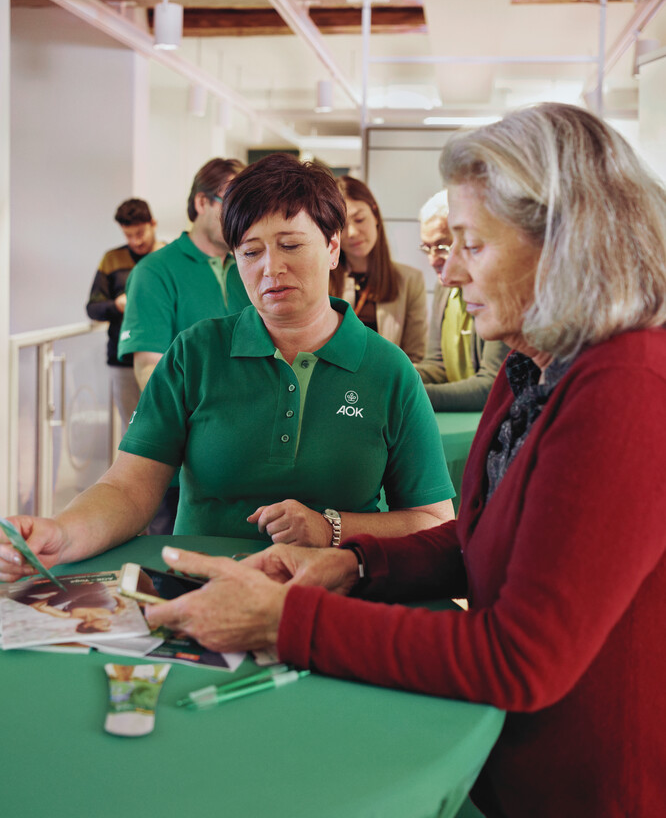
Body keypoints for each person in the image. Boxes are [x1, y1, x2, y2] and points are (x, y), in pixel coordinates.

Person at [123, 105, 664, 818]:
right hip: (534, 796)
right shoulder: (531, 370)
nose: (447, 272)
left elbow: (520, 659)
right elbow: (478, 540)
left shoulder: (626, 391)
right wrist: (348, 563)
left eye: (472, 247)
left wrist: (285, 621)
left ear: (566, 241)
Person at [0, 154, 454, 570]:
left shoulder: (389, 370)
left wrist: (333, 528)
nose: (270, 269)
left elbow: (433, 521)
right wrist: (62, 533)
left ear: (333, 247)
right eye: (251, 252)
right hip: (198, 591)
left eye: (291, 245)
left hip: (330, 599)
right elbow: (128, 489)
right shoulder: (195, 353)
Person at [118, 157, 250, 533]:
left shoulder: (252, 265)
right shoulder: (155, 271)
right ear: (201, 203)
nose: (241, 214)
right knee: (171, 575)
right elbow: (148, 368)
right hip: (178, 468)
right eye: (231, 201)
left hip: (248, 463)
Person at [415, 190, 509, 411]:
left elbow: (491, 386)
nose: (432, 260)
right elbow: (438, 365)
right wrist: (394, 375)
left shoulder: (497, 289)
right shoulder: (443, 287)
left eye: (441, 247)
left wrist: (406, 393)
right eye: (426, 248)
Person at [85, 198, 163, 432]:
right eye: (129, 235)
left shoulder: (169, 257)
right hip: (123, 360)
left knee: (166, 428)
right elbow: (92, 308)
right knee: (131, 430)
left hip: (164, 357)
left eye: (140, 233)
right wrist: (117, 305)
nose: (135, 241)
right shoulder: (112, 259)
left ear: (153, 224)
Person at [330, 176, 427, 362]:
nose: (352, 233)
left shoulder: (409, 280)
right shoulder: (322, 279)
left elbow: (415, 357)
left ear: (375, 214)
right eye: (341, 226)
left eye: (359, 219)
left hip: (388, 386)